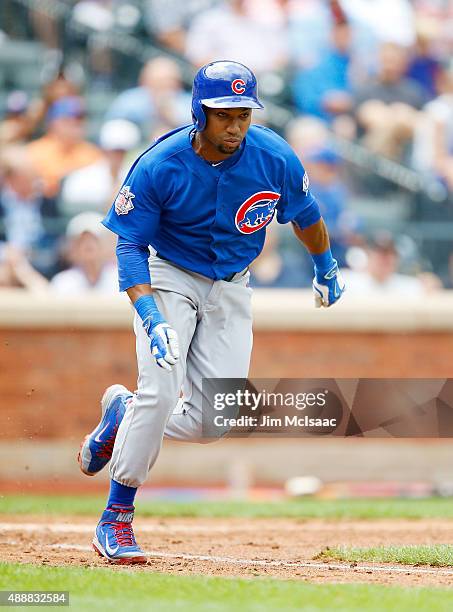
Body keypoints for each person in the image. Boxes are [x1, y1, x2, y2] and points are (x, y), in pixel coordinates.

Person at [77, 60, 345, 564]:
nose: (235, 125)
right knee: (159, 390)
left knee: (214, 421)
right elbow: (129, 246)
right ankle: (117, 516)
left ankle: (123, 414)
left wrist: (325, 265)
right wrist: (152, 315)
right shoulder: (161, 163)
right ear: (200, 112)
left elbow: (306, 215)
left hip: (232, 285)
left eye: (243, 114)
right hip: (169, 276)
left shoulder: (274, 156)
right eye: (224, 114)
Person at [50, 212, 117, 294]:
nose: (88, 245)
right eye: (81, 241)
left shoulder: (123, 280)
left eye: (95, 240)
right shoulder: (62, 282)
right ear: (72, 248)